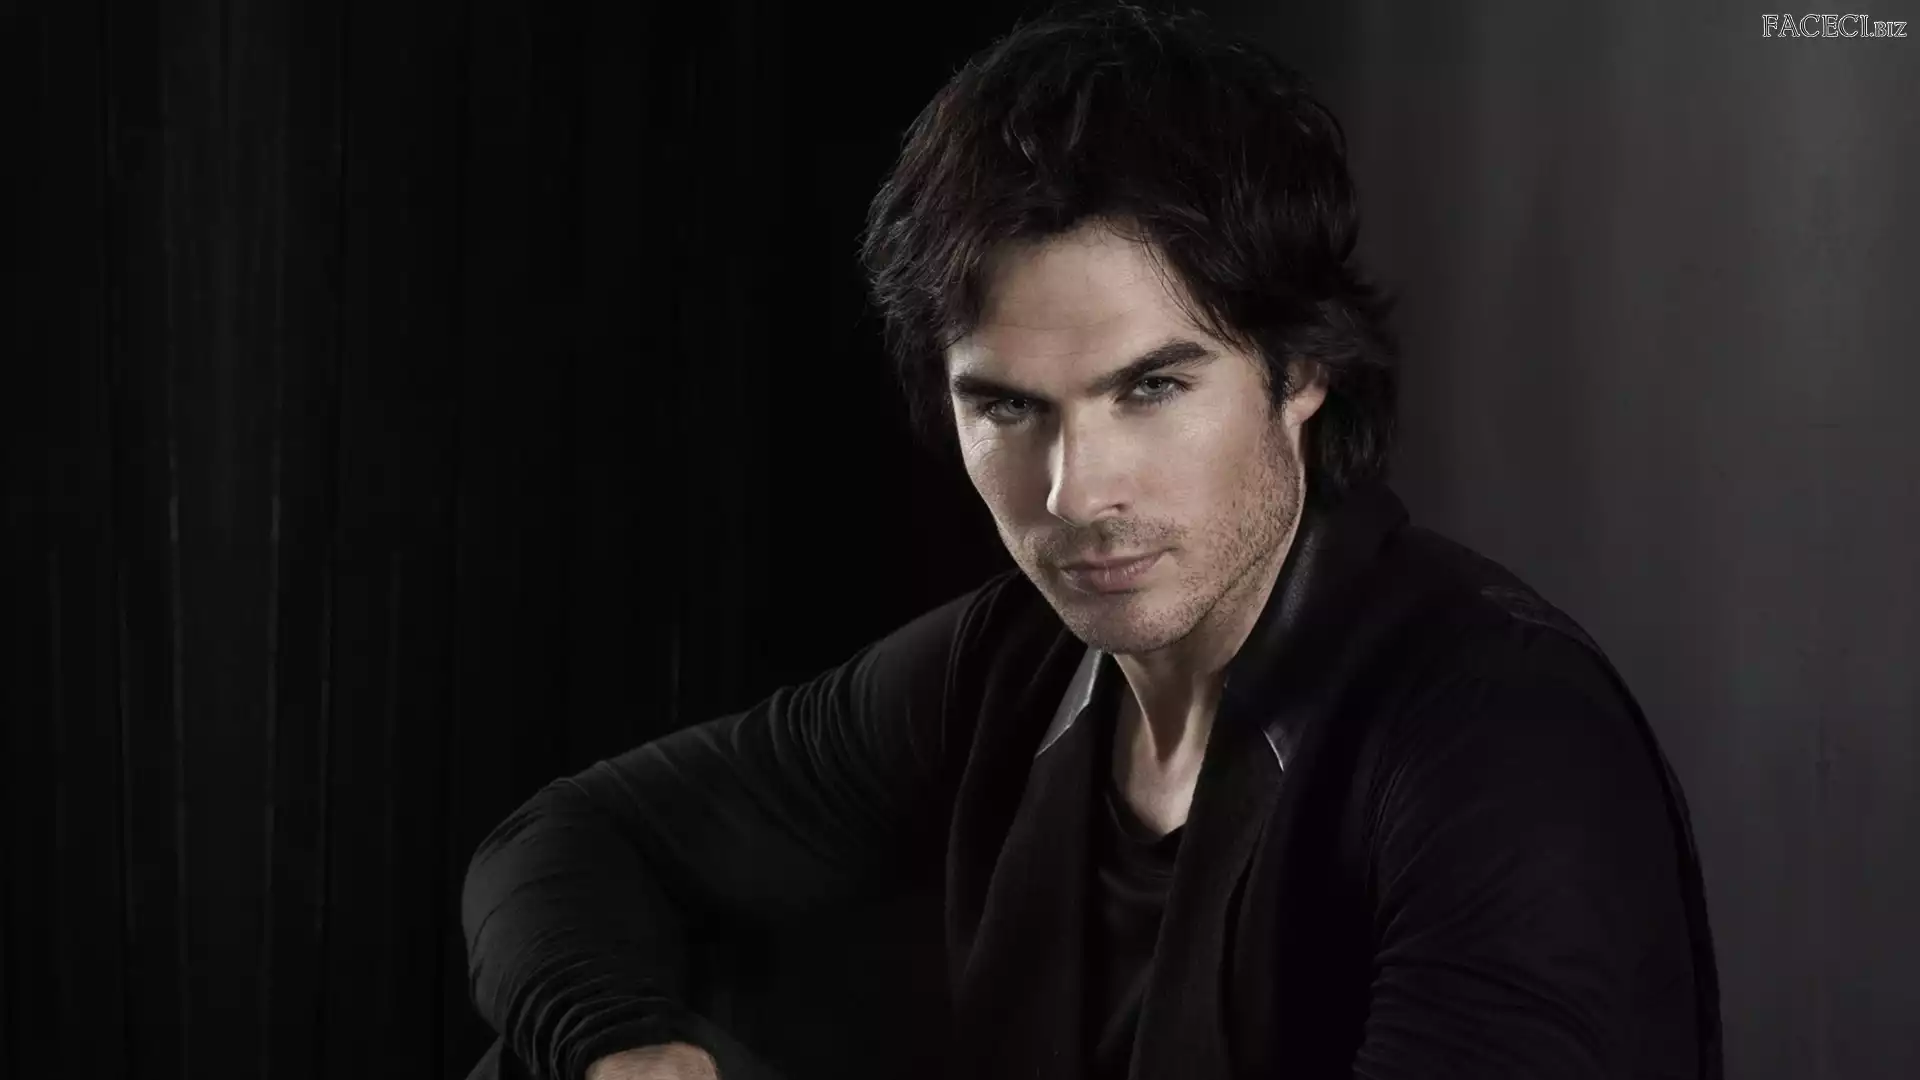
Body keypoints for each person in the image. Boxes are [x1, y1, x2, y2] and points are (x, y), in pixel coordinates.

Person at [460, 5, 1724, 1079]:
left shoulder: (1495, 734)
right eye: (1009, 408)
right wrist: (620, 1051)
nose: (1075, 492)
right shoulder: (1011, 669)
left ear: (1302, 372)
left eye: (1152, 388)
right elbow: (566, 841)